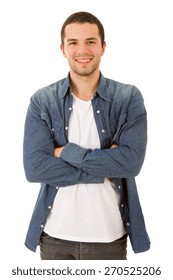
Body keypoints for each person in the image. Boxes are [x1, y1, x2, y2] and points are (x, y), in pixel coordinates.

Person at [23, 11, 150, 260]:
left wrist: (64, 152)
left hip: (108, 238)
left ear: (103, 47)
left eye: (91, 41)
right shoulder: (42, 101)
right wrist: (105, 165)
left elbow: (131, 163)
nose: (83, 50)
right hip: (54, 237)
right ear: (63, 49)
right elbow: (34, 168)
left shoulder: (128, 98)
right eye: (73, 42)